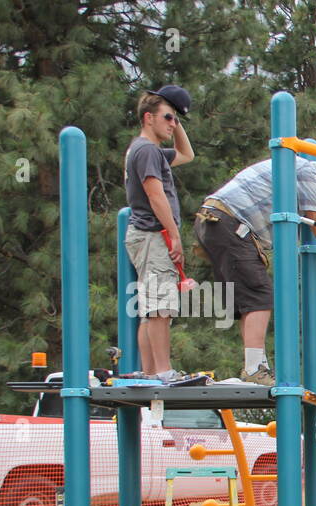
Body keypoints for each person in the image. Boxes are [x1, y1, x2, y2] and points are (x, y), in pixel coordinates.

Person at [194, 156, 316, 385]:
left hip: (214, 220)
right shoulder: (309, 172)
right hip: (231, 223)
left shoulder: (290, 178)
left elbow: (299, 231)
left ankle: (255, 366)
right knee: (260, 295)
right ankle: (255, 369)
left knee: (248, 300)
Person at [123, 84, 194, 381]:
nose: (172, 123)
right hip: (153, 234)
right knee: (160, 306)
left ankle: (150, 371)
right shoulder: (148, 151)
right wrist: (173, 233)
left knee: (150, 307)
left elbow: (186, 154)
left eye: (174, 119)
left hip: (146, 234)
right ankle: (164, 371)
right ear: (147, 118)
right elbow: (155, 195)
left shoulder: (146, 150)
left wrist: (176, 116)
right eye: (166, 117)